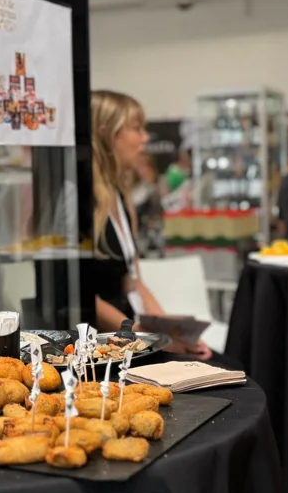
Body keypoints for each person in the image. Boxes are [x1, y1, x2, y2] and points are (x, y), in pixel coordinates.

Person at [91, 90, 212, 360]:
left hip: (130, 335)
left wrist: (168, 331)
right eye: (136, 128)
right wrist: (144, 338)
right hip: (105, 348)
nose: (145, 138)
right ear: (106, 135)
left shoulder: (118, 197)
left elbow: (134, 282)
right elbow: (87, 298)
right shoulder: (84, 204)